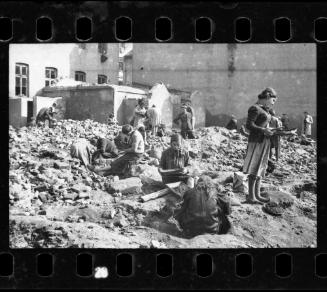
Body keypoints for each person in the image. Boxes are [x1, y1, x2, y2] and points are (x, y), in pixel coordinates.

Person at [243, 87, 278, 204]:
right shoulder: (255, 108)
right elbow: (249, 125)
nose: (273, 103)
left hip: (264, 141)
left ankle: (257, 195)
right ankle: (251, 196)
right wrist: (263, 130)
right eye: (273, 100)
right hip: (256, 141)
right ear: (267, 97)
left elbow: (263, 125)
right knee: (254, 168)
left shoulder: (265, 110)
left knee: (261, 168)